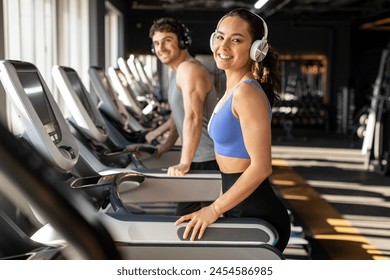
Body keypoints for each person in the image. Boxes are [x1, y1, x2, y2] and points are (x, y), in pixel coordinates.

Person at [175, 8, 291, 253]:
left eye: (236, 39)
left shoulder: (247, 92)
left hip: (257, 215)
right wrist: (220, 205)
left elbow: (261, 167)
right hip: (237, 205)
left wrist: (214, 209)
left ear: (256, 49)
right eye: (220, 36)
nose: (223, 45)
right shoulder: (232, 89)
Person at [147, 17, 219, 215]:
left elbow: (193, 117)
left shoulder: (190, 70)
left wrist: (184, 162)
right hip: (199, 157)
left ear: (182, 42)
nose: (160, 47)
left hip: (208, 159)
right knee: (192, 220)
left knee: (198, 220)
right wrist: (167, 144)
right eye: (156, 43)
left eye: (167, 40)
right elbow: (177, 115)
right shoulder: (177, 71)